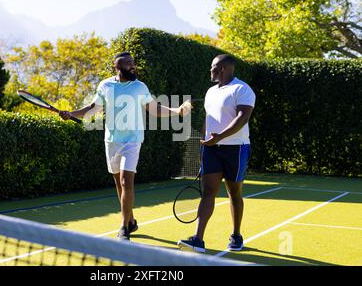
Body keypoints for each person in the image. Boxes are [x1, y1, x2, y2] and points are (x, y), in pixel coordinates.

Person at [59, 52, 191, 241]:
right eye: (128, 64)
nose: (133, 67)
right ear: (117, 68)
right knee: (118, 185)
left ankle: (123, 227)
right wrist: (71, 113)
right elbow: (92, 109)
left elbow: (154, 108)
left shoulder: (140, 87)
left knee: (125, 182)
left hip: (133, 140)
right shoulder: (105, 85)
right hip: (111, 141)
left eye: (133, 64)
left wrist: (176, 111)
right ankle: (131, 220)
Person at [177, 54, 255, 253]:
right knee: (208, 192)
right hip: (211, 149)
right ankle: (198, 239)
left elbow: (242, 118)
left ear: (222, 69)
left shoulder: (242, 89)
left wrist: (219, 137)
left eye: (212, 67)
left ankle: (236, 235)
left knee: (234, 193)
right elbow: (209, 118)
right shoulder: (211, 91)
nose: (210, 71)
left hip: (236, 149)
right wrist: (204, 141)